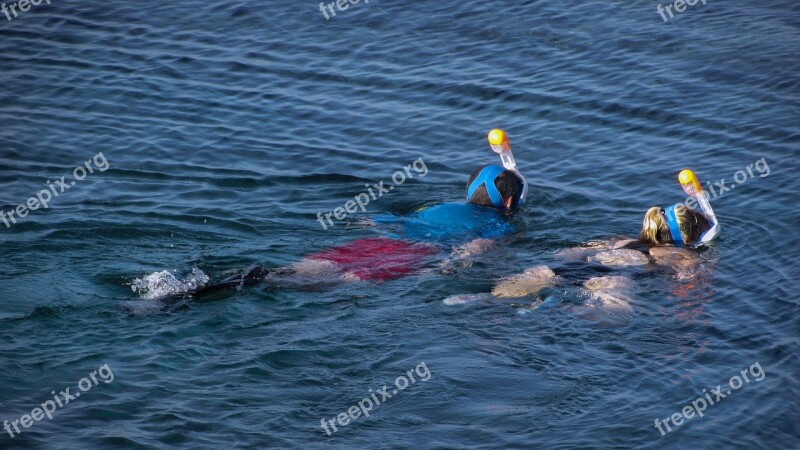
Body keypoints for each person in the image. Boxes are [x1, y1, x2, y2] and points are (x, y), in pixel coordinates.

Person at [126, 130, 528, 312]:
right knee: (327, 285)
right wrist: (448, 268)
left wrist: (370, 227)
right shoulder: (500, 225)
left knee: (293, 272)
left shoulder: (435, 208)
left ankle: (182, 290)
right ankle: (201, 298)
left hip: (381, 242)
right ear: (508, 201)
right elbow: (476, 249)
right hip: (410, 256)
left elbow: (383, 219)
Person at [448, 169, 721, 313]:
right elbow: (689, 289)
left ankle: (482, 300)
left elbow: (566, 253)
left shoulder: (620, 240)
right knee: (611, 320)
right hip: (613, 280)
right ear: (686, 239)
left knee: (507, 293)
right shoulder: (683, 255)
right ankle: (549, 308)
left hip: (566, 270)